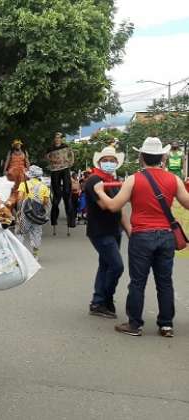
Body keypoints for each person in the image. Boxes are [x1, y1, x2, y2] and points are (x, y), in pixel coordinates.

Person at [94, 137, 189, 337]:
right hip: (166, 236)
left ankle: (134, 324)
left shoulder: (134, 179)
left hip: (142, 236)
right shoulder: (173, 179)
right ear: (162, 157)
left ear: (141, 157)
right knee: (165, 281)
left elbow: (113, 206)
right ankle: (166, 325)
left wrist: (99, 191)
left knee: (138, 281)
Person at [83, 147, 130, 318]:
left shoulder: (113, 181)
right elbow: (108, 205)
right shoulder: (94, 181)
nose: (109, 163)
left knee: (105, 265)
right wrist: (102, 191)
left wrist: (130, 231)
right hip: (100, 231)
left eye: (112, 160)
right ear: (99, 162)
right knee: (116, 266)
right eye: (106, 160)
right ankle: (105, 299)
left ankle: (98, 302)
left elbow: (121, 209)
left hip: (114, 230)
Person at [15, 165, 50, 258]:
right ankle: (35, 255)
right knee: (36, 232)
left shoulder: (24, 184)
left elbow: (19, 198)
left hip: (25, 213)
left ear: (30, 175)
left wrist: (18, 210)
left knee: (20, 232)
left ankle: (19, 255)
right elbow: (46, 201)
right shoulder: (44, 187)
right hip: (37, 214)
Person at [46, 132, 76, 229]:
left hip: (65, 169)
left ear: (61, 139)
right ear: (54, 139)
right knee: (57, 196)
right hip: (55, 170)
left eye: (59, 138)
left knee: (67, 193)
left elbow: (71, 154)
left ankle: (71, 220)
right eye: (56, 138)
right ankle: (54, 219)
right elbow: (47, 157)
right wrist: (53, 160)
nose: (58, 139)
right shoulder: (50, 148)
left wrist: (71, 162)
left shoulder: (65, 146)